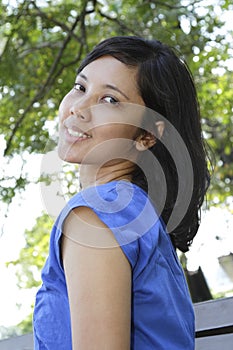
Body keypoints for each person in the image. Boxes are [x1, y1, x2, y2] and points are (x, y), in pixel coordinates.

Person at [33, 36, 210, 349]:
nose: (79, 109)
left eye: (110, 100)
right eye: (80, 87)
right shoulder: (135, 213)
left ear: (146, 135)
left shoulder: (96, 216)